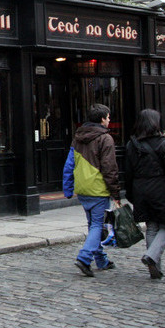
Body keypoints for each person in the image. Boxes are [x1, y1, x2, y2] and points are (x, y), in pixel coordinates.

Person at [63, 103, 121, 277]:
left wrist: (68, 188)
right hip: (98, 189)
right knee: (97, 225)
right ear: (102, 119)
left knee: (93, 225)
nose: (109, 120)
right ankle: (84, 257)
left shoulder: (78, 137)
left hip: (83, 188)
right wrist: (116, 193)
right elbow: (110, 168)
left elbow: (69, 164)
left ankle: (101, 259)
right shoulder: (105, 139)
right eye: (108, 117)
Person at [124, 109, 165, 279]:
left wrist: (130, 192)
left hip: (140, 188)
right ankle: (152, 257)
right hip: (160, 188)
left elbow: (128, 171)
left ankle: (155, 266)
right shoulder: (163, 144)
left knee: (151, 227)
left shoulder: (131, 144)